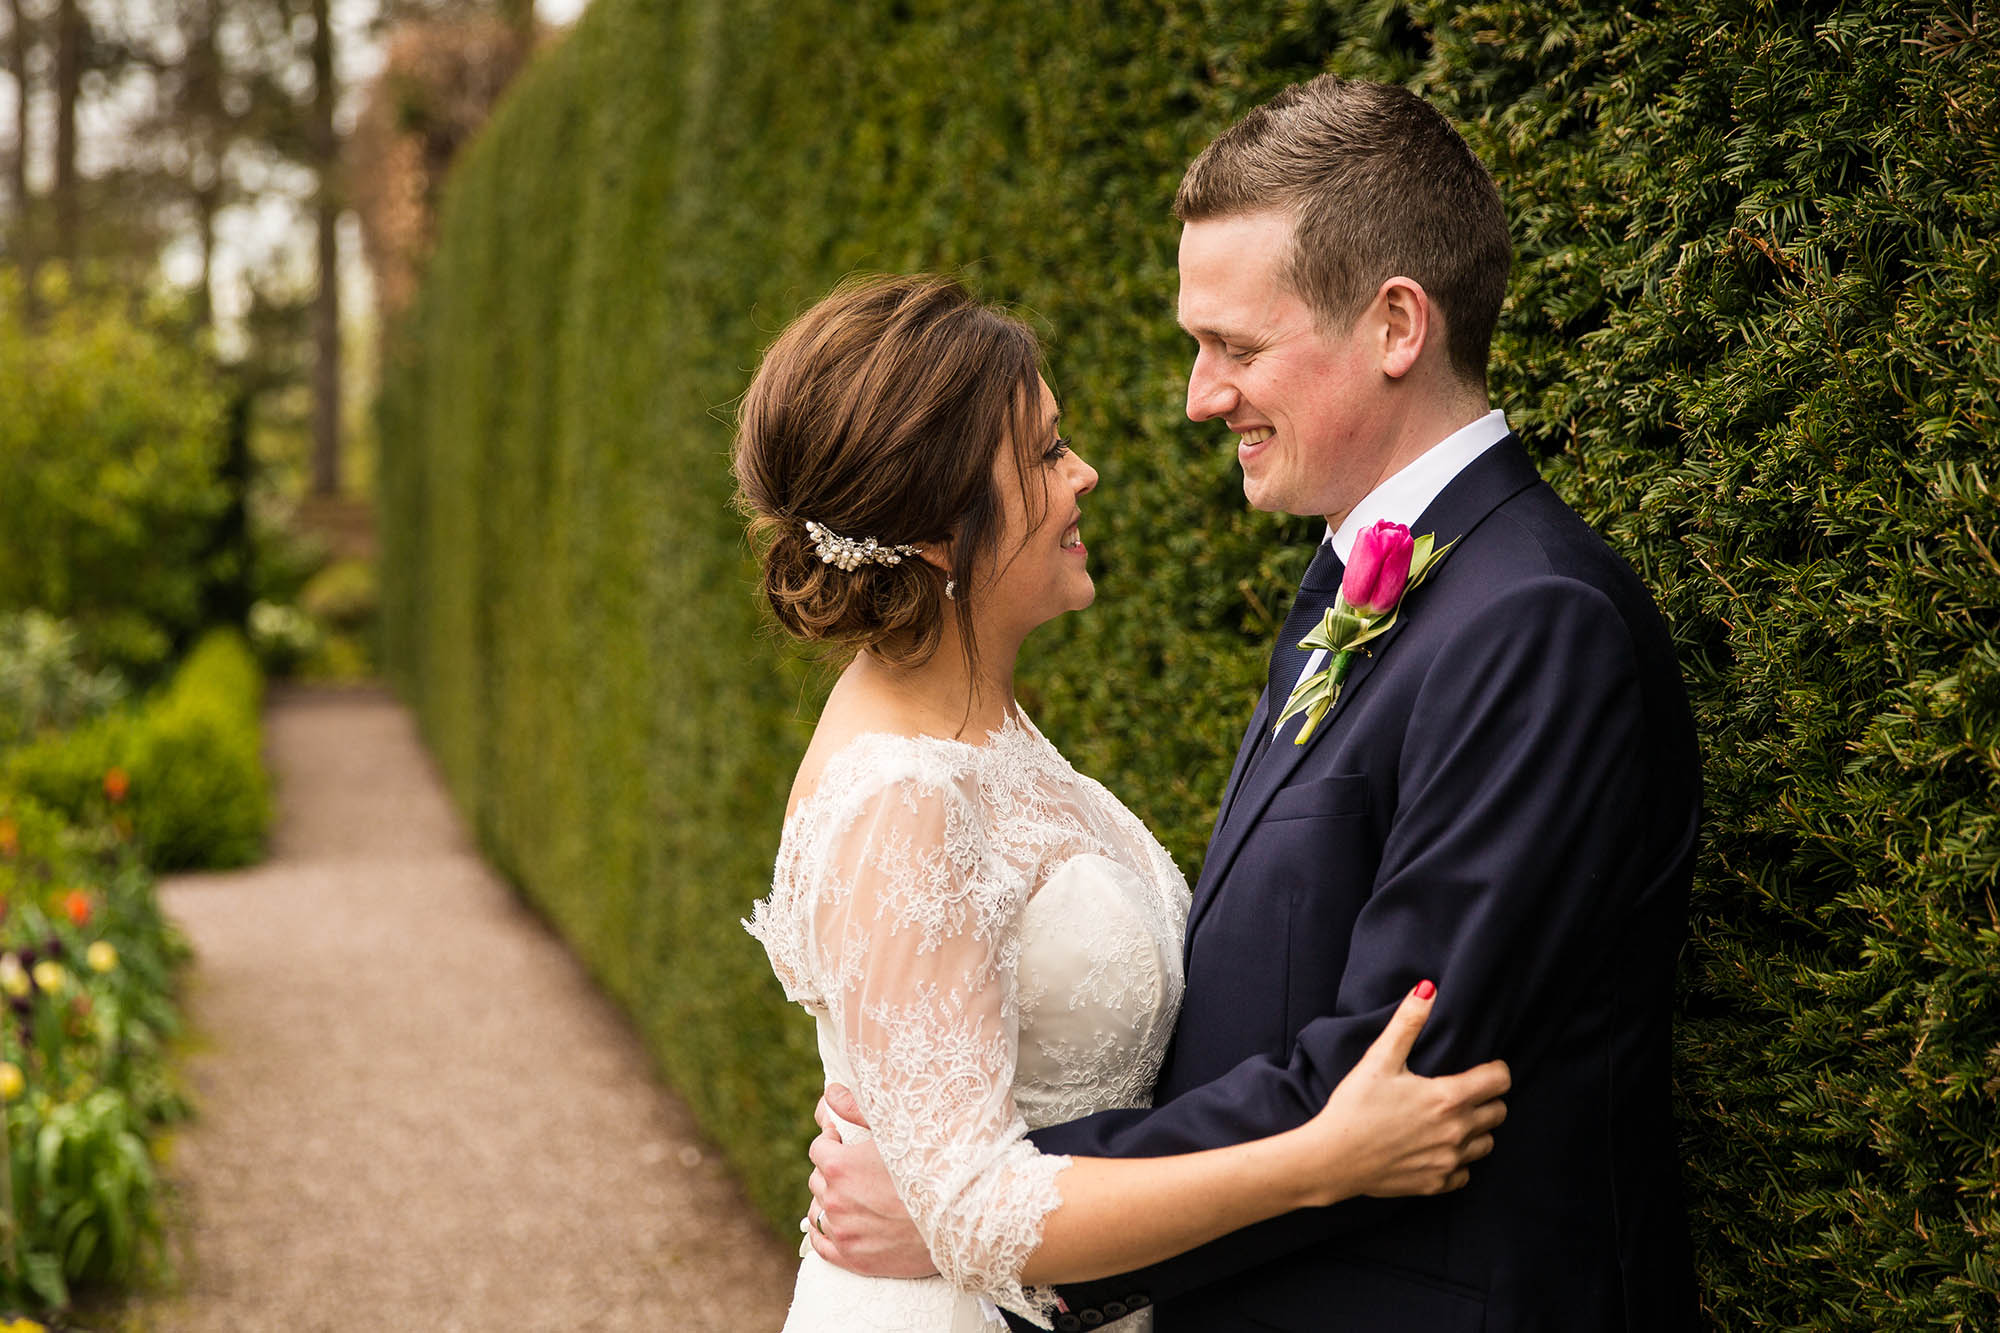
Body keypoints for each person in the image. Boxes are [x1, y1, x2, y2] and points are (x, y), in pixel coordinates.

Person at [804, 76, 1702, 1333]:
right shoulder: (1351, 579)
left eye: (1234, 347)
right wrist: (977, 1190)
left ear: (1395, 324)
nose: (1195, 395)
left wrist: (985, 1208)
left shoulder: (1533, 621)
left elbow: (1398, 1072)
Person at [735, 273, 1513, 1333]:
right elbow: (972, 1213)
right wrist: (1322, 1157)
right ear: (930, 529)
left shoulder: (973, 719)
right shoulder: (900, 796)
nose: (1083, 475)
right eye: (1046, 453)